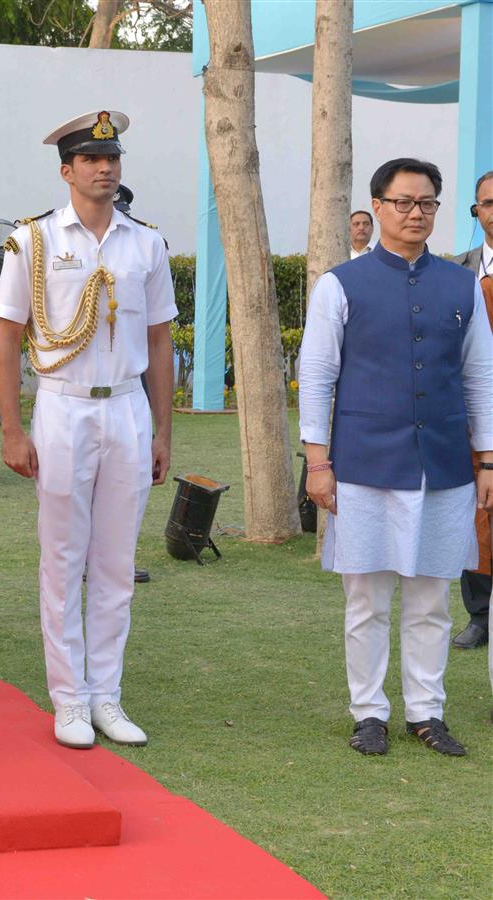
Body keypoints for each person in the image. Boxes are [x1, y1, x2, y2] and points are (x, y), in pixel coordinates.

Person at [299, 157, 493, 758]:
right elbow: (317, 374)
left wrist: (486, 461)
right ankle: (368, 712)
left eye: (428, 203)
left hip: (443, 465)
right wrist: (317, 460)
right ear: (377, 207)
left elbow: (479, 376)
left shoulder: (462, 285)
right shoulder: (340, 284)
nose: (416, 213)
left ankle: (426, 711)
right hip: (364, 464)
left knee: (431, 597)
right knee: (368, 599)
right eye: (405, 202)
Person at [0, 110, 174, 750]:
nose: (105, 168)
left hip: (126, 405)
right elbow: (10, 335)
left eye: (112, 158)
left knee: (117, 563)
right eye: (92, 159)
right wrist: (13, 429)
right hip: (63, 405)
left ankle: (107, 696)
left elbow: (159, 338)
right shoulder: (32, 240)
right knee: (64, 560)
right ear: (66, 170)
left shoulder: (146, 243)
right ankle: (69, 699)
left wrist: (162, 431)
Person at [453, 170, 493, 651]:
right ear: (477, 211)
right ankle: (479, 615)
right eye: (487, 203)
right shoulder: (457, 272)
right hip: (471, 412)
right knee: (475, 514)